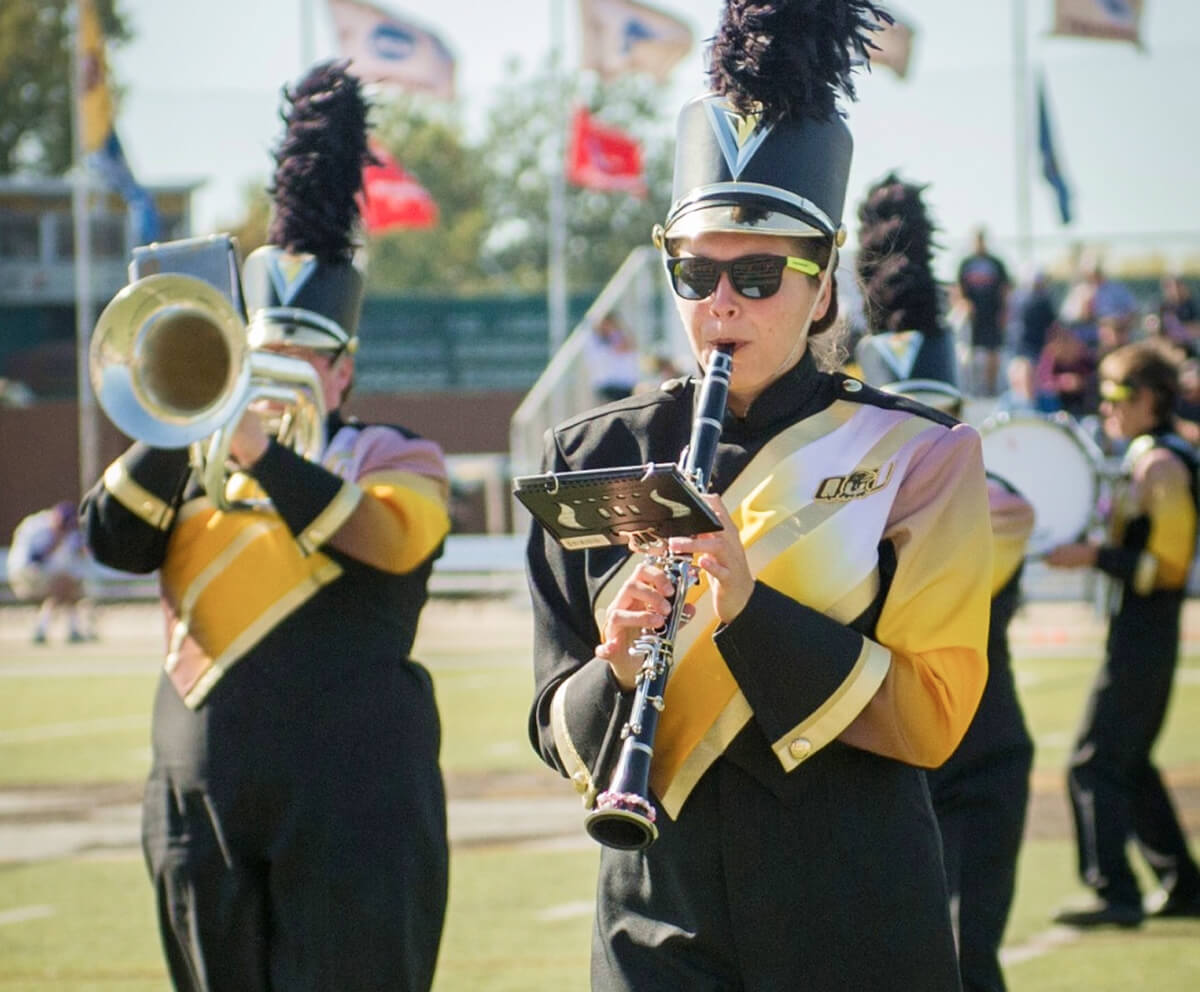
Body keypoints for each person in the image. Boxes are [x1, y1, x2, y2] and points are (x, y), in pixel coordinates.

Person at [523, 4, 994, 989]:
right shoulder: (595, 450)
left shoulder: (923, 453)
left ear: (823, 289)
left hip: (854, 912)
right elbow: (552, 722)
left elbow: (934, 715)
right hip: (655, 916)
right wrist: (614, 669)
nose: (722, 300)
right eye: (696, 270)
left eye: (760, 271)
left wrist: (748, 607)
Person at [81, 63, 452, 991]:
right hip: (193, 810)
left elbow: (389, 542)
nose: (278, 373)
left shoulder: (392, 455)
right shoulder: (190, 460)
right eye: (261, 354)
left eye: (303, 358)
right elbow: (111, 541)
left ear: (343, 371)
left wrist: (261, 450)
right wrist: (181, 423)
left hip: (354, 807)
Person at [854, 173, 1036, 992]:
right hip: (877, 765)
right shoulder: (832, 502)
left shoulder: (998, 505)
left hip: (976, 756)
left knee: (965, 968)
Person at [1044, 340, 1200, 927]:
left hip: (1147, 629)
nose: (1106, 406)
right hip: (1139, 630)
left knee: (1094, 762)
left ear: (1152, 399)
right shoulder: (1149, 456)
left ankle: (1115, 893)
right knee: (1128, 763)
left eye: (1119, 395)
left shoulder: (1161, 463)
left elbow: (1170, 566)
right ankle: (1182, 884)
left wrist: (1093, 556)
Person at [7, 499, 95, 644]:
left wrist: (82, 550)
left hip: (51, 577)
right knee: (63, 584)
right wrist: (55, 542)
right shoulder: (35, 527)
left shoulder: (68, 532)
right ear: (55, 518)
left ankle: (52, 629)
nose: (63, 531)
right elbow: (34, 561)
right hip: (24, 574)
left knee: (67, 585)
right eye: (62, 526)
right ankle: (59, 629)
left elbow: (79, 554)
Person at [956, 227, 1011, 397]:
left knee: (993, 351)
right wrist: (964, 305)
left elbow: (1005, 288)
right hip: (974, 316)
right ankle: (972, 389)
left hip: (992, 313)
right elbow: (958, 288)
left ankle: (991, 388)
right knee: (970, 352)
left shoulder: (995, 263)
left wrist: (1004, 310)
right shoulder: (966, 263)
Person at [586, 313, 642, 403]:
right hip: (607, 387)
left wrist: (614, 330)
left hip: (626, 386)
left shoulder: (617, 335)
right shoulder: (595, 341)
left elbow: (629, 346)